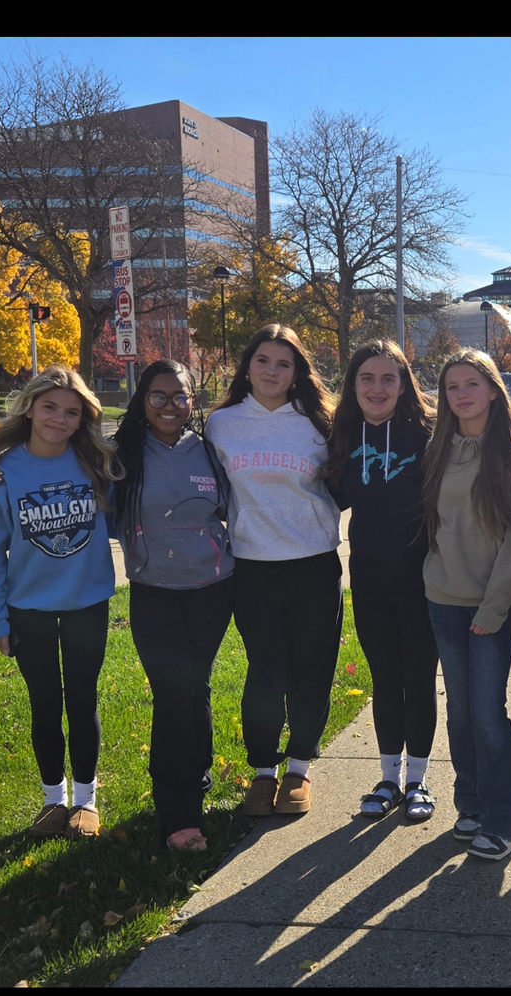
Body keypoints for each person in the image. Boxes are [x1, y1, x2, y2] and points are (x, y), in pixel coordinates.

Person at [0, 366, 123, 839]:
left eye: (72, 412)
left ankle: (86, 801)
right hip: (27, 610)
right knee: (45, 704)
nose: (60, 418)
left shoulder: (95, 464)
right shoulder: (0, 474)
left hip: (87, 605)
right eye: (50, 407)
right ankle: (54, 801)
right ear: (29, 407)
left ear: (82, 419)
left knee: (83, 699)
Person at [205, 324, 342, 817]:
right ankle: (263, 771)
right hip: (253, 568)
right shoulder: (221, 425)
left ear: (296, 372)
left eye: (283, 363)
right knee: (265, 673)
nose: (271, 371)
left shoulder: (320, 422)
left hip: (314, 566)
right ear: (247, 365)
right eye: (263, 360)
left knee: (310, 672)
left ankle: (299, 768)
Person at [112, 360, 235, 852]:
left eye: (179, 396)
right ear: (144, 399)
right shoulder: (119, 455)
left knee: (194, 687)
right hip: (153, 592)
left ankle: (197, 780)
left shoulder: (208, 452)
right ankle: (177, 813)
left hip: (212, 589)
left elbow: (233, 507)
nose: (168, 406)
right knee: (172, 693)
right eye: (158, 396)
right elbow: (54, 455)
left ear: (192, 401)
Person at [422, 349, 511, 860]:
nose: (462, 394)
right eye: (452, 386)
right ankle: (469, 803)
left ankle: (506, 816)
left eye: (472, 383)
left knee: (489, 713)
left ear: (494, 389)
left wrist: (495, 608)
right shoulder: (440, 448)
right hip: (442, 599)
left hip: (489, 605)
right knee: (461, 714)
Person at [322, 341, 439, 821]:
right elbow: (332, 495)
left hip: (424, 580)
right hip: (369, 579)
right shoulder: (341, 438)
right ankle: (389, 777)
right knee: (385, 679)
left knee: (419, 679)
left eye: (388, 378)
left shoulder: (427, 435)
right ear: (353, 384)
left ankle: (419, 781)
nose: (377, 387)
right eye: (366, 378)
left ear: (403, 384)